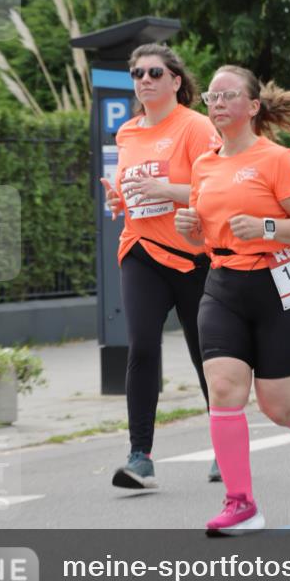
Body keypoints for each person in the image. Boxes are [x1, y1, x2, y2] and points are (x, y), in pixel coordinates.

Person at [174, 65, 290, 534]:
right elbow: (205, 240)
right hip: (223, 286)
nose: (216, 103)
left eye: (228, 96)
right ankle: (241, 503)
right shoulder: (204, 164)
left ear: (252, 107)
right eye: (211, 96)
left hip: (279, 288)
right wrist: (192, 233)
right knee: (225, 389)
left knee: (280, 405)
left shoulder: (277, 159)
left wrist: (268, 227)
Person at [100, 43, 221, 490]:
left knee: (205, 354)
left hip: (194, 256)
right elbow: (131, 188)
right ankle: (140, 457)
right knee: (142, 348)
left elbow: (216, 190)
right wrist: (119, 198)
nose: (144, 80)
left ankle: (225, 448)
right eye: (137, 73)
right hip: (141, 250)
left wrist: (164, 188)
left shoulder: (196, 127)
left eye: (154, 72)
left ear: (175, 80)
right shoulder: (127, 133)